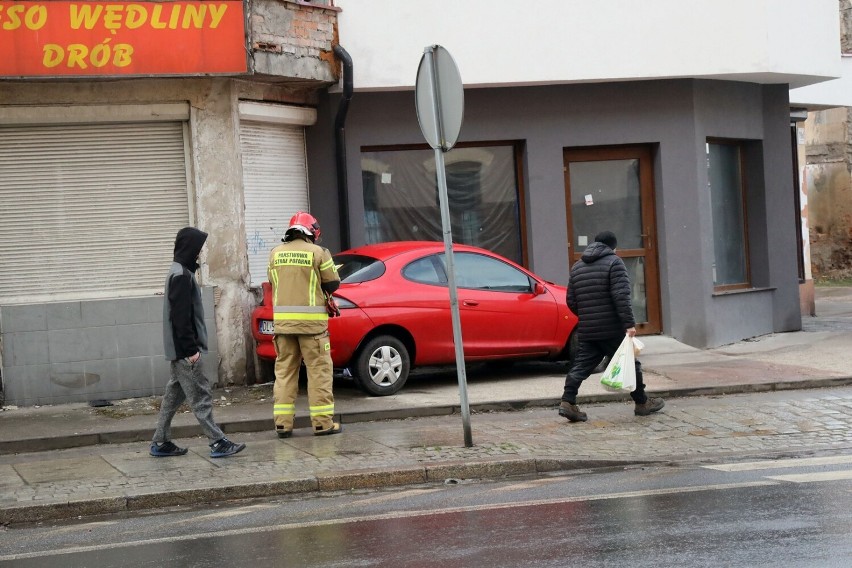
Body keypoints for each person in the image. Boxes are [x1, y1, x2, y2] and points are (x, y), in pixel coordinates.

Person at [150, 227, 246, 458]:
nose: (200, 254)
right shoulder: (181, 275)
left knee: (172, 398)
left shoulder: (179, 272)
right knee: (201, 396)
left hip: (180, 350)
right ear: (189, 248)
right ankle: (217, 442)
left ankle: (161, 442)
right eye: (198, 248)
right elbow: (181, 317)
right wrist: (190, 349)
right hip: (185, 352)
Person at [559, 230, 664, 422]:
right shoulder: (615, 263)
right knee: (631, 364)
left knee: (581, 366)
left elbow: (571, 300)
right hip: (612, 328)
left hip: (588, 329)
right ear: (613, 247)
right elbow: (621, 297)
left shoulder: (578, 266)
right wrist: (629, 324)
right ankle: (642, 403)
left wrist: (588, 316)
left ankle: (568, 402)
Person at [268, 212, 342, 438]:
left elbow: (273, 282)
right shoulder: (318, 253)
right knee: (318, 373)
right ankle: (322, 424)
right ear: (312, 232)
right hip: (313, 330)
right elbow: (333, 283)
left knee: (284, 374)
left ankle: (283, 425)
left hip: (284, 327)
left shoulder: (275, 254)